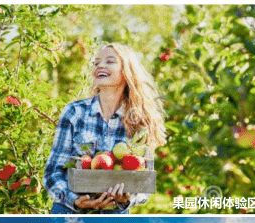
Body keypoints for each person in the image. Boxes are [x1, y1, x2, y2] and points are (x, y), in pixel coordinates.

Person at [43, 43, 167, 214]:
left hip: (113, 217)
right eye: (96, 63)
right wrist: (75, 200)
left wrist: (129, 198)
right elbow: (53, 172)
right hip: (69, 213)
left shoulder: (140, 120)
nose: (100, 65)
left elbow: (144, 182)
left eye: (110, 61)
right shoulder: (75, 112)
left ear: (126, 72)